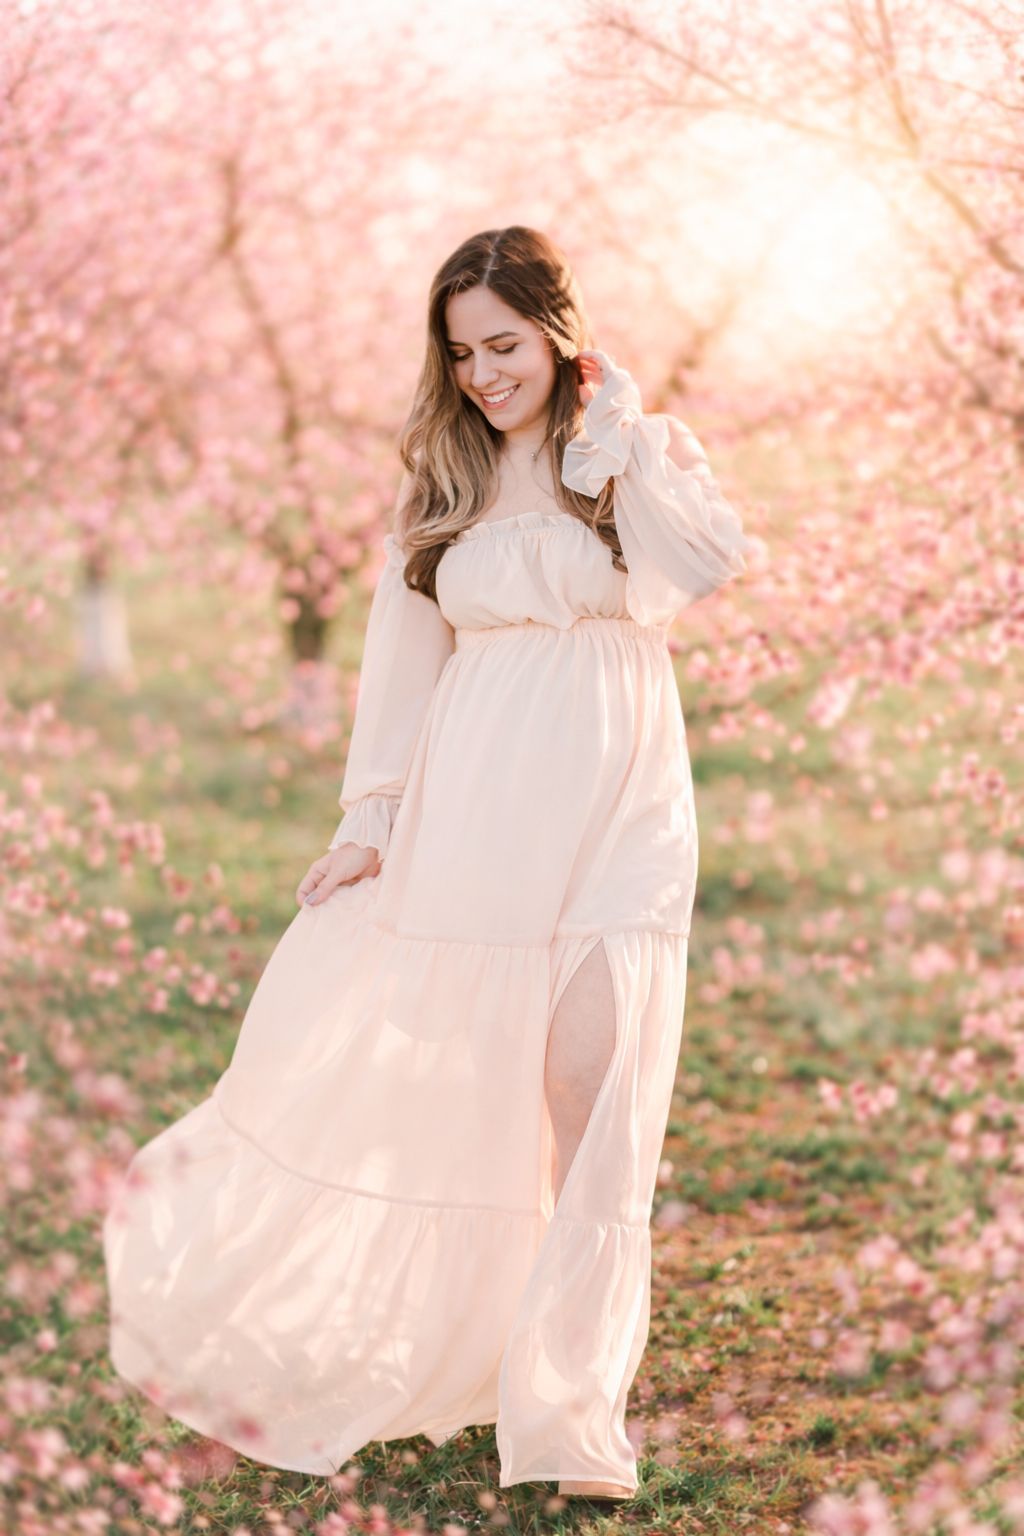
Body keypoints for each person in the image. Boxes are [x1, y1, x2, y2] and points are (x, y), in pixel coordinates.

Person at [103, 224, 754, 1503]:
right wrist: (369, 820)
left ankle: (571, 1416)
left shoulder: (635, 453)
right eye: (461, 354)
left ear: (560, 333)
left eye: (504, 346)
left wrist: (613, 440)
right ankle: (464, 1344)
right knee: (469, 1097)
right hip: (479, 808)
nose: (483, 375)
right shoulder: (442, 482)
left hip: (622, 810)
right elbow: (402, 672)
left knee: (593, 1085)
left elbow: (702, 570)